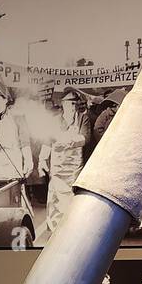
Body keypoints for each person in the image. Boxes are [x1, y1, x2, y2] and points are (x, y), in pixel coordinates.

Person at [39, 90, 91, 236]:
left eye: (75, 104)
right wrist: (42, 160)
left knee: (72, 199)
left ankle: (72, 231)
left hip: (74, 168)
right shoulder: (55, 120)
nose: (73, 107)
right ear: (63, 104)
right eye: (70, 104)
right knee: (55, 199)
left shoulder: (83, 118)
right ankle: (55, 232)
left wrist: (67, 141)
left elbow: (85, 138)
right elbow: (47, 141)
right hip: (57, 167)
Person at [0, 91, 35, 194]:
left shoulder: (17, 117)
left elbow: (24, 141)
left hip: (11, 163)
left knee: (14, 195)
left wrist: (28, 161)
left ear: (5, 100)